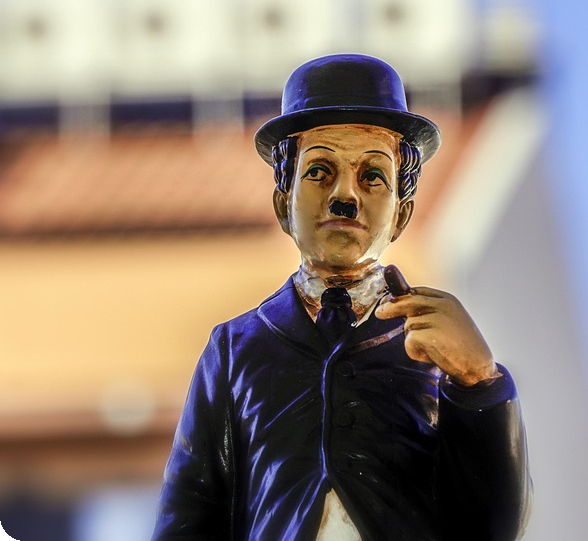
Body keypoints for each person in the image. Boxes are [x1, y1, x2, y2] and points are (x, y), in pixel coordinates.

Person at [152, 54, 531, 541]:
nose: (345, 196)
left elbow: (494, 525)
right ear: (282, 203)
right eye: (319, 171)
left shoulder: (436, 349)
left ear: (402, 214)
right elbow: (190, 510)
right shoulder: (234, 348)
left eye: (372, 176)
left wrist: (479, 384)